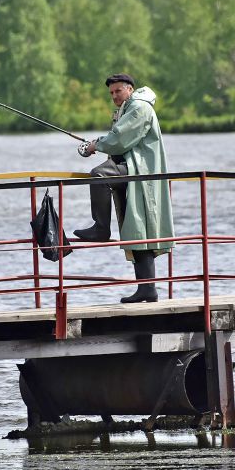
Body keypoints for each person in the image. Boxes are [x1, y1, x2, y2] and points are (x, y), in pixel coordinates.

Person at [74, 73, 174, 303]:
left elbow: (120, 139)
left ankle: (101, 228)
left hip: (139, 170)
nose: (114, 96)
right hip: (129, 168)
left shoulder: (138, 107)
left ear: (130, 89)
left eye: (118, 91)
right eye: (111, 93)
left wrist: (94, 145)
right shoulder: (128, 107)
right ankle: (147, 289)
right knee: (136, 228)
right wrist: (98, 144)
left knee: (98, 175)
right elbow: (118, 140)